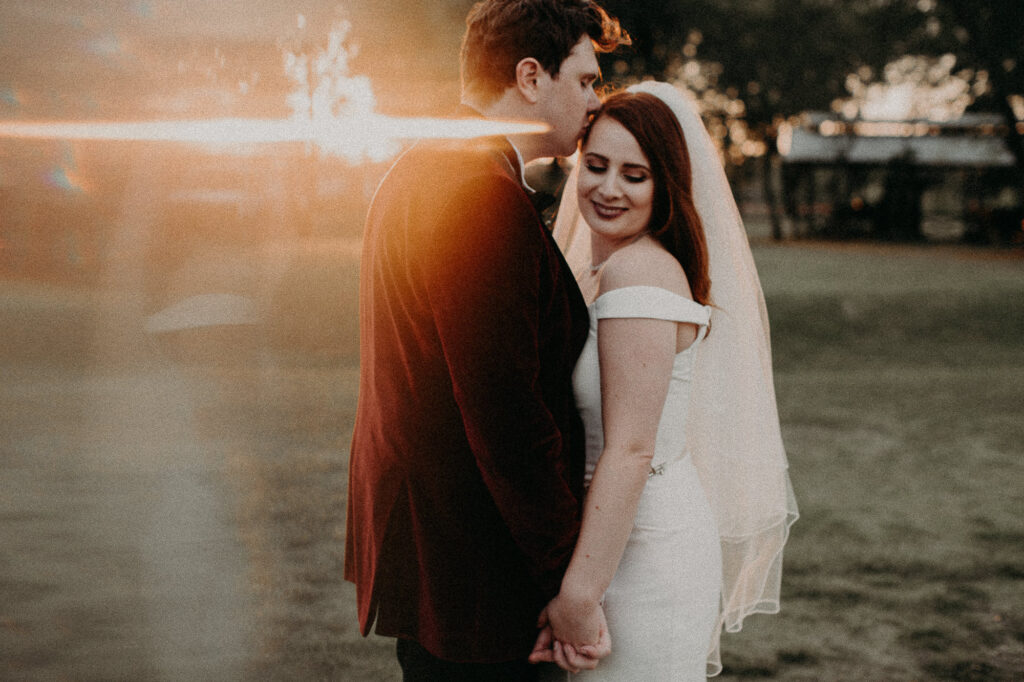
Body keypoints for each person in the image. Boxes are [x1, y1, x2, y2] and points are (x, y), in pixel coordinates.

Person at [344, 2, 628, 680]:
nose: (597, 100)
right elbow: (506, 415)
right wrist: (572, 578)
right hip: (478, 570)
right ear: (531, 77)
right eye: (587, 80)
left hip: (438, 551)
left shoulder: (429, 166)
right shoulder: (477, 191)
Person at [532, 82, 799, 679]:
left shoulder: (640, 274)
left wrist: (578, 596)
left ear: (666, 187)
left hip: (643, 552)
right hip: (610, 540)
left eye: (635, 175)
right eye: (596, 166)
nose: (607, 188)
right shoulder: (604, 268)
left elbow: (630, 448)